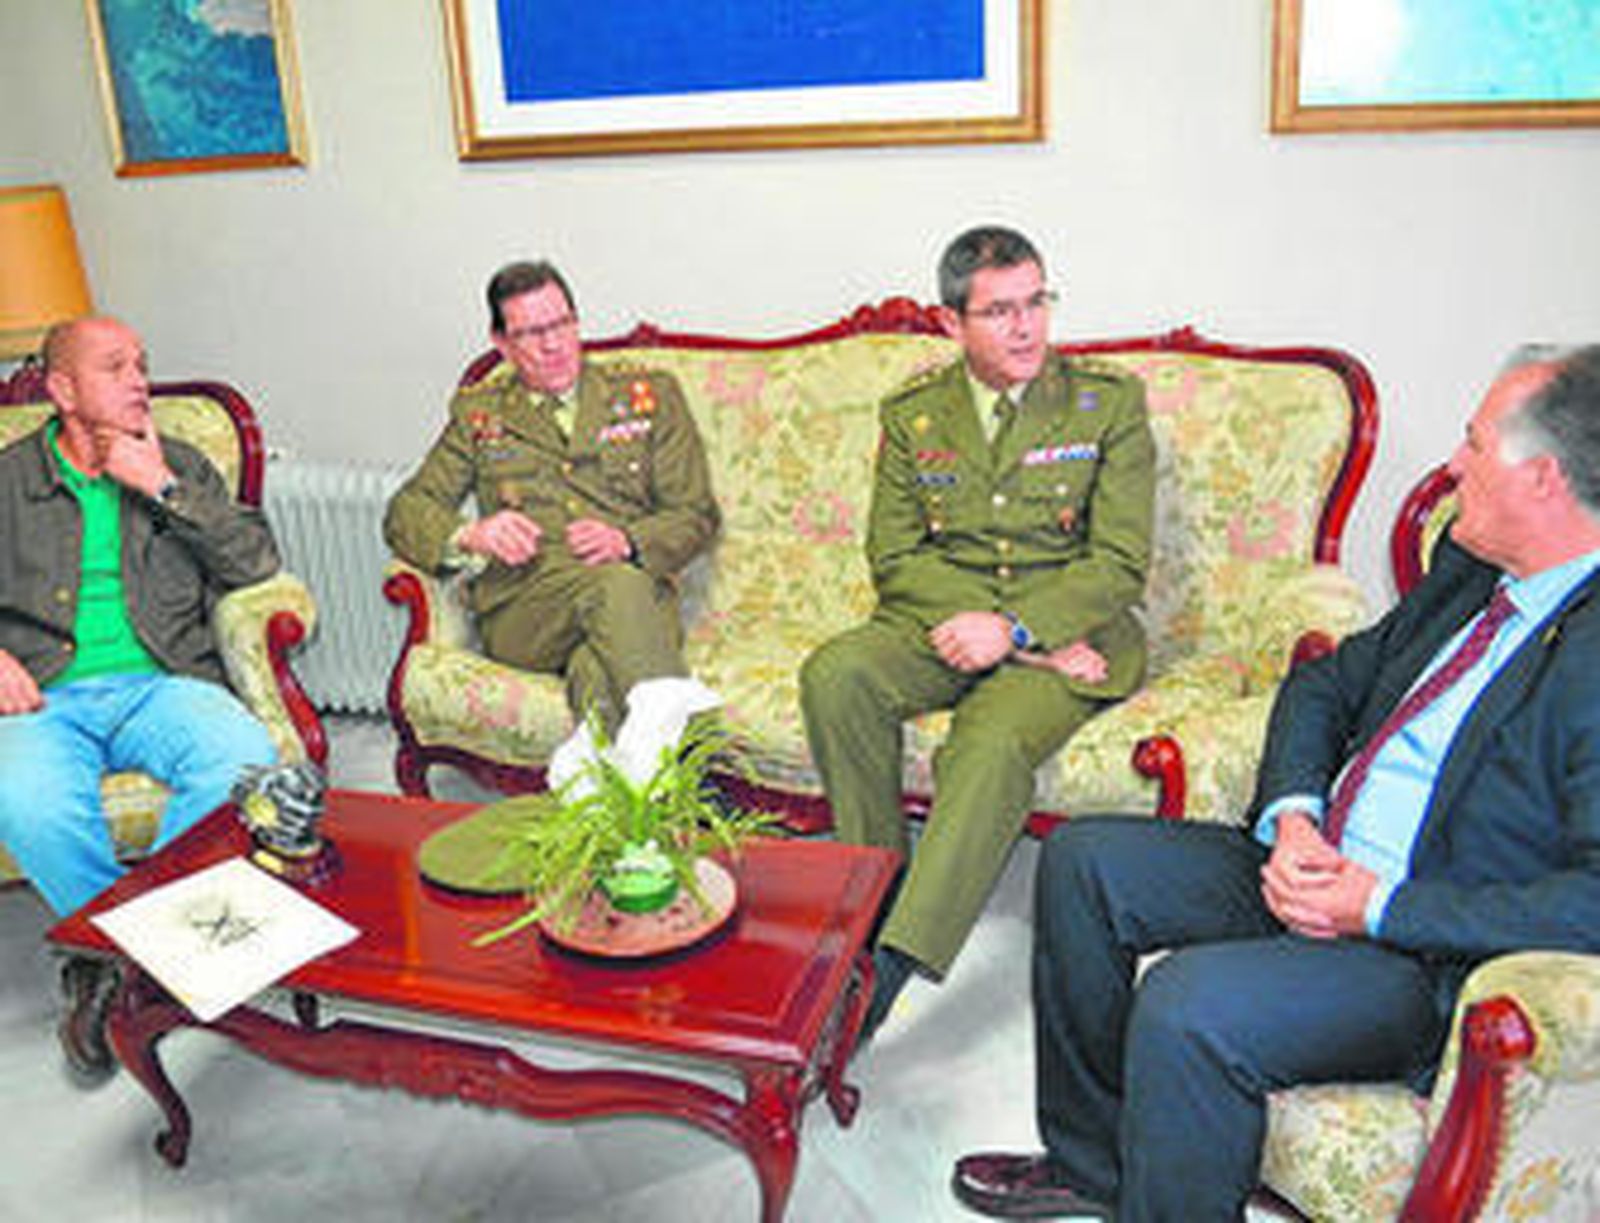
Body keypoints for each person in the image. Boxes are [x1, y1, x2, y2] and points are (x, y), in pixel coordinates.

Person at [951, 343, 1600, 1222]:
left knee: (1187, 1006)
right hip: (1318, 856)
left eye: (1475, 445)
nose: (1451, 468)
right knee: (1083, 860)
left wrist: (1376, 904)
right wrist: (1294, 817)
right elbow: (1326, 683)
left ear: (1544, 479)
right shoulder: (1473, 568)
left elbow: (1589, 902)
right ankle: (1094, 1165)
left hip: (1418, 949)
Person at [800, 226, 1156, 1035]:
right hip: (947, 620)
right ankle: (874, 893)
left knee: (988, 740)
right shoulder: (915, 415)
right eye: (1000, 311)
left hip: (1074, 631)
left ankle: (884, 974)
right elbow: (893, 555)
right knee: (837, 672)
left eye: (1036, 302)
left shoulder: (1109, 405)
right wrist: (986, 626)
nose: (1027, 326)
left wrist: (1018, 629)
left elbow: (1119, 564)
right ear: (951, 322)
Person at [0, 316, 280, 1081]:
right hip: (43, 697)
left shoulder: (178, 461)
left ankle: (103, 958)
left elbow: (257, 558)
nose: (138, 380)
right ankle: (142, 955)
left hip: (165, 683)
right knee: (26, 798)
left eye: (142, 364)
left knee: (245, 761)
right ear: (60, 390)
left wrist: (161, 486)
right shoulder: (7, 480)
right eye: (114, 366)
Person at [384, 260, 719, 733]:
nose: (554, 344)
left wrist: (628, 541)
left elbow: (696, 514)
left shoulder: (650, 396)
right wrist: (472, 534)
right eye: (531, 332)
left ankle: (635, 800)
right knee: (616, 585)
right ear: (501, 343)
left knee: (598, 677)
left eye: (562, 323)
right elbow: (405, 512)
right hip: (528, 609)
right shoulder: (479, 415)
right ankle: (696, 761)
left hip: (634, 604)